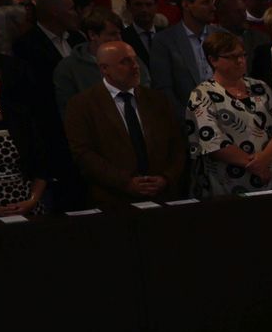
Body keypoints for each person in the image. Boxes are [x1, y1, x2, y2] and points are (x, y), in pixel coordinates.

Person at [63, 41, 185, 208]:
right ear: (104, 69)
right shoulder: (82, 105)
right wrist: (125, 182)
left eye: (134, 60)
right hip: (113, 200)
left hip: (162, 198)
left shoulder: (158, 100)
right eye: (125, 62)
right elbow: (83, 153)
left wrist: (166, 177)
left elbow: (178, 144)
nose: (135, 66)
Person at [186, 31, 272, 198]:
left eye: (242, 55)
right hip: (230, 183)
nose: (240, 61)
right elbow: (212, 142)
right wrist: (255, 165)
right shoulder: (202, 94)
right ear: (213, 60)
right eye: (232, 57)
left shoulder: (260, 87)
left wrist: (265, 159)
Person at [148, 0, 219, 108]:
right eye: (205, 3)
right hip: (187, 116)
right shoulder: (164, 41)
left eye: (212, 2)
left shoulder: (222, 36)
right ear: (186, 5)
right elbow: (164, 88)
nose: (213, 8)